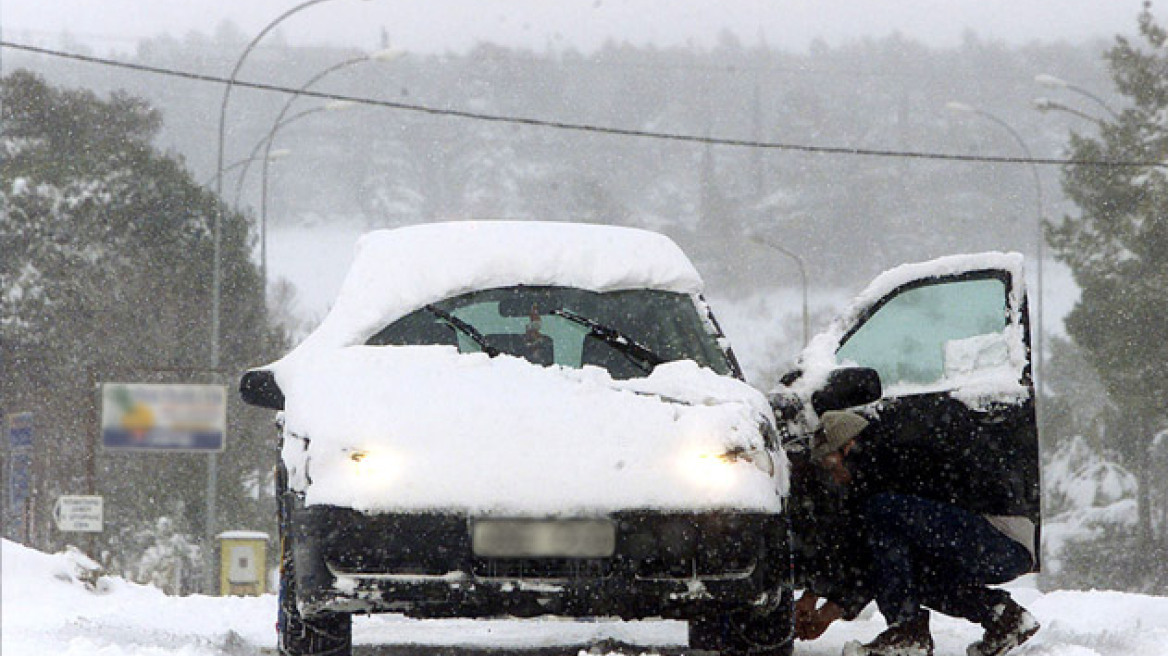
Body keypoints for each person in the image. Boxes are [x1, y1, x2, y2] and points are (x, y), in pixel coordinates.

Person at [793, 410, 1040, 656]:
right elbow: (873, 558)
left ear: (850, 447)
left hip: (999, 538)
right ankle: (1004, 617)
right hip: (998, 546)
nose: (834, 478)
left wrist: (823, 601)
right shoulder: (877, 470)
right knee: (912, 573)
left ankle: (907, 632)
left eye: (831, 465)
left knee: (882, 513)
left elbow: (863, 548)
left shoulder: (889, 457)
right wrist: (821, 602)